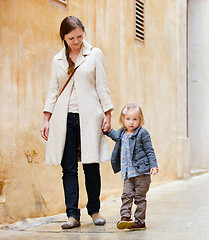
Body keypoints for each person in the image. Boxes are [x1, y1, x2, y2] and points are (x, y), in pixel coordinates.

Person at [40, 16, 114, 229]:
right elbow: (53, 91)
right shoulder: (57, 60)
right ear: (63, 37)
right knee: (69, 168)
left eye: (80, 36)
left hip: (90, 117)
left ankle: (95, 210)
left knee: (91, 166)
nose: (77, 41)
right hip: (64, 119)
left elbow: (102, 85)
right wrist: (46, 119)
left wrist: (107, 114)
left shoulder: (94, 54)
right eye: (71, 37)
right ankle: (72, 215)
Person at [105, 103, 159, 231]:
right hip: (128, 173)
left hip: (142, 173)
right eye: (128, 119)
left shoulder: (142, 133)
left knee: (140, 198)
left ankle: (140, 222)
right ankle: (125, 217)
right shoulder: (122, 132)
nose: (131, 122)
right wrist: (107, 130)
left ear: (140, 120)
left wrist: (154, 165)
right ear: (122, 120)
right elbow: (114, 136)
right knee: (126, 195)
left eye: (135, 119)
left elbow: (149, 150)